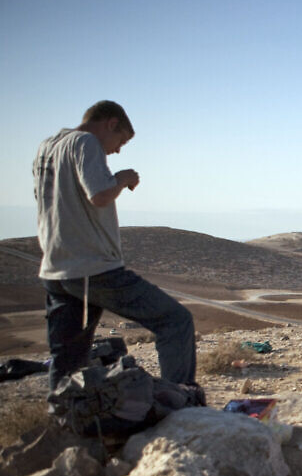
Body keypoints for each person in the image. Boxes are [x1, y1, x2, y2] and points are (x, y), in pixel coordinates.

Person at [33, 101, 197, 395]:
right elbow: (99, 195)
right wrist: (122, 179)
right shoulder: (85, 141)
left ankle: (65, 417)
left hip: (55, 269)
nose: (117, 150)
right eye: (121, 140)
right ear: (110, 123)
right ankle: (181, 400)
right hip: (93, 266)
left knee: (67, 357)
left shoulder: (48, 146)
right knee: (175, 320)